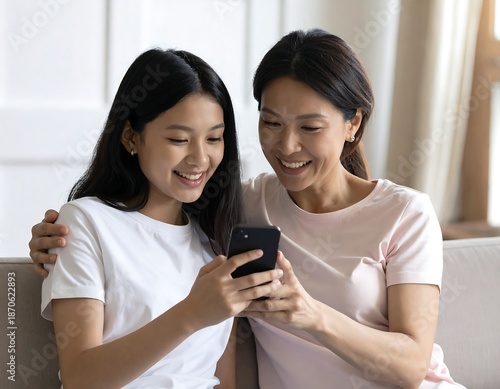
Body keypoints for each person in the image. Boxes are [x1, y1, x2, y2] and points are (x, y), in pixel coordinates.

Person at [29, 29, 464, 388]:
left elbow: (411, 365)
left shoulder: (405, 213)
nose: (287, 146)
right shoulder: (238, 208)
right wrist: (57, 236)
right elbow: (146, 226)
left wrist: (310, 314)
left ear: (353, 123)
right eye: (271, 122)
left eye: (310, 127)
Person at [33, 47, 283, 388]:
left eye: (213, 138)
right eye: (178, 139)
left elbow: (221, 380)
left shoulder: (215, 238)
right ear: (131, 136)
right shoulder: (86, 223)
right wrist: (191, 313)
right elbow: (80, 377)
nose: (199, 158)